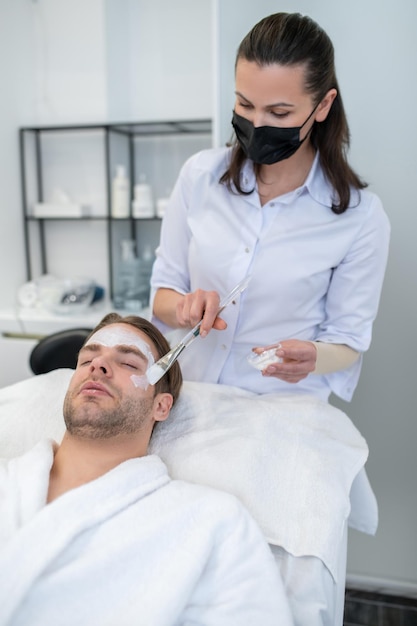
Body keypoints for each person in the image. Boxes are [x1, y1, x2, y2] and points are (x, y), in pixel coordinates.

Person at [150, 11, 390, 626]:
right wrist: (185, 306)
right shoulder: (200, 179)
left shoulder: (358, 219)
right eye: (244, 104)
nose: (257, 125)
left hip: (283, 416)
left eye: (280, 114)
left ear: (323, 105)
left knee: (266, 578)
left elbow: (348, 342)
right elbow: (162, 294)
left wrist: (315, 357)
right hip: (192, 405)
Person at [0, 313, 294, 626]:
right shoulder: (8, 480)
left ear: (161, 406)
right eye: (87, 359)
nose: (97, 366)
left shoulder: (211, 521)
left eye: (128, 363)